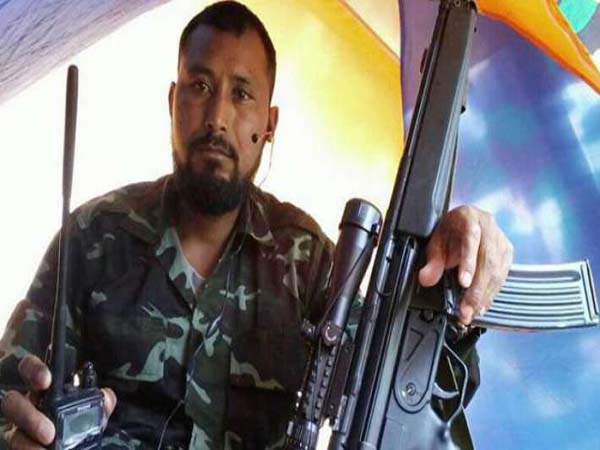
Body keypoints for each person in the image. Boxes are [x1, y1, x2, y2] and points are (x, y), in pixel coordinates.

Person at [0, 1, 513, 449]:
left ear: (269, 125)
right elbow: (11, 390)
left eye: (242, 94)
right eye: (200, 86)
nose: (217, 117)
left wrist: (450, 289)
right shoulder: (93, 236)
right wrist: (14, 432)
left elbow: (404, 391)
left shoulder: (306, 261)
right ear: (173, 103)